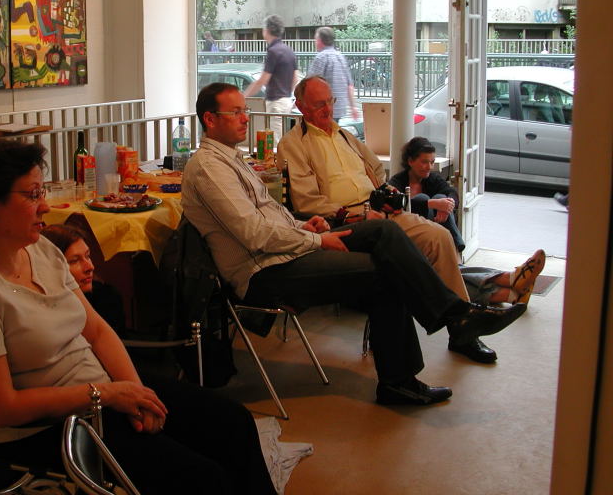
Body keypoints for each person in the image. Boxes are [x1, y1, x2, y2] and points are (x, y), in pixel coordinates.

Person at [0, 140, 276, 495]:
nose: (44, 205)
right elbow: (3, 409)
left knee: (233, 424)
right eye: (33, 195)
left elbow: (96, 331)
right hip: (43, 429)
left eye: (42, 192)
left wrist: (136, 393)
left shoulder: (40, 250)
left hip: (100, 393)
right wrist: (106, 395)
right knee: (202, 479)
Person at [182, 82, 526, 405]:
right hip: (265, 270)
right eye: (236, 112)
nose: (245, 118)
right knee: (387, 271)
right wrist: (317, 237)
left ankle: (454, 319)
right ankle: (414, 364)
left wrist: (303, 225)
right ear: (210, 120)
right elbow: (255, 234)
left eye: (245, 110)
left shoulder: (234, 159)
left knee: (386, 234)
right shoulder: (211, 167)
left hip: (289, 248)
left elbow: (273, 215)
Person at [275, 76, 543, 363]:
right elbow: (306, 201)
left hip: (376, 211)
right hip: (342, 222)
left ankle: (463, 326)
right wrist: (353, 212)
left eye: (331, 101)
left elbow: (376, 169)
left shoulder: (344, 136)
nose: (328, 109)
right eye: (319, 105)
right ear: (300, 106)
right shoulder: (294, 144)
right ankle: (465, 324)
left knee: (440, 237)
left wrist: (383, 195)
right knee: (409, 261)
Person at [42, 223, 127, 337]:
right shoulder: (40, 310)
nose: (90, 267)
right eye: (74, 261)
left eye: (87, 256)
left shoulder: (106, 298)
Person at [388, 136, 465, 252]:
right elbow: (395, 203)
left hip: (438, 228)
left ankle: (456, 245)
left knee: (442, 198)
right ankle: (455, 246)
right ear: (410, 161)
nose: (429, 167)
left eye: (432, 162)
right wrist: (431, 203)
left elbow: (452, 193)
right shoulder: (397, 181)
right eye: (424, 162)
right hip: (411, 232)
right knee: (423, 198)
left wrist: (447, 205)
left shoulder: (433, 179)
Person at [243, 15, 298, 137]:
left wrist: (243, 96)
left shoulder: (273, 52)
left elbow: (263, 80)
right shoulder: (289, 50)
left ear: (266, 30)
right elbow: (295, 78)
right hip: (287, 102)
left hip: (275, 103)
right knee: (284, 138)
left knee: (276, 140)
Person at [306, 26, 358, 121]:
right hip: (338, 109)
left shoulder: (321, 57)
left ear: (320, 41)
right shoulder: (341, 57)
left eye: (315, 39)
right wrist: (353, 107)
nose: (315, 42)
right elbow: (350, 86)